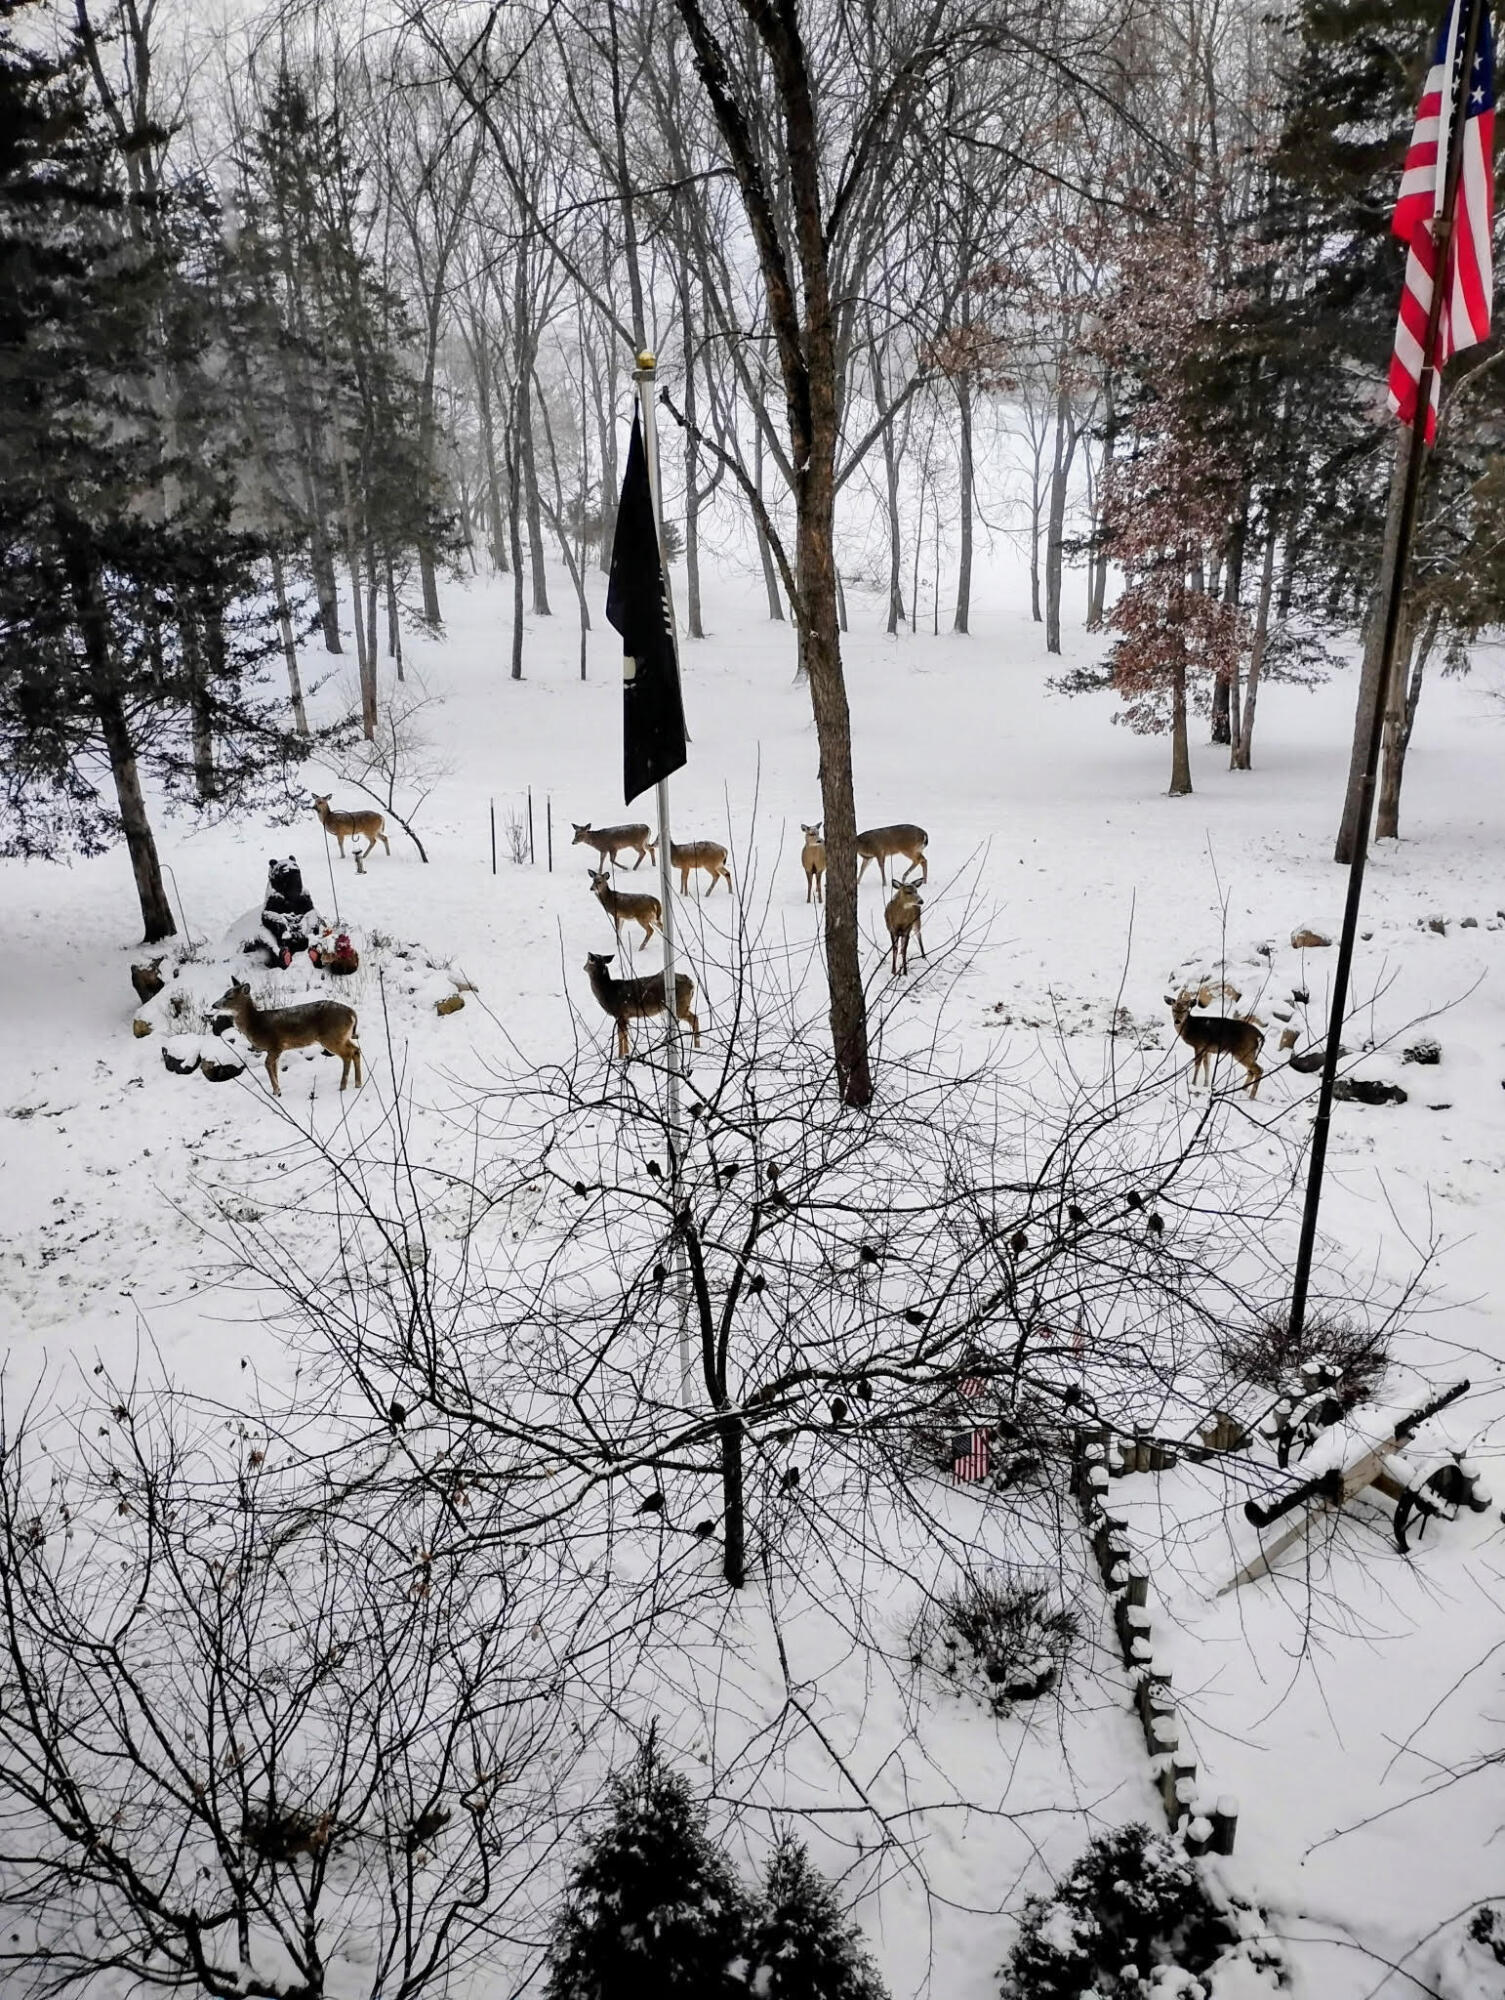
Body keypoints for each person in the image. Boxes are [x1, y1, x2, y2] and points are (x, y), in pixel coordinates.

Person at [258, 857, 323, 969]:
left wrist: (311, 924)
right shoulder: (275, 898)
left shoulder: (302, 895)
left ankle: (315, 948)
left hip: (301, 930)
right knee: (266, 938)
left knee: (314, 919)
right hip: (284, 936)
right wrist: (281, 925)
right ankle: (282, 955)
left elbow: (310, 911)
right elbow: (267, 916)